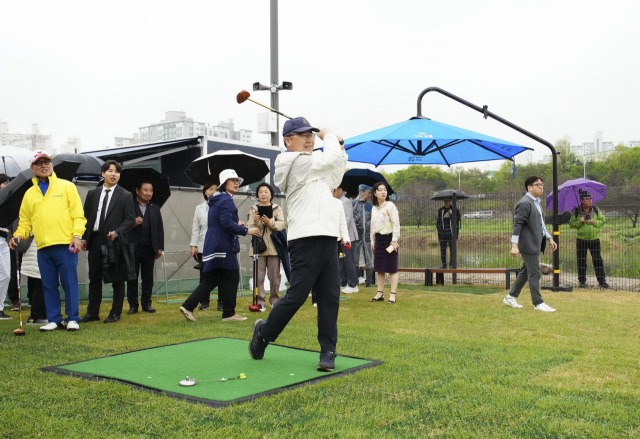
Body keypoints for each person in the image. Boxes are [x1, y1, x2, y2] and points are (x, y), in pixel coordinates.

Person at [249, 117, 347, 372]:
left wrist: (340, 149)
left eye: (312, 135)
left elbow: (335, 174)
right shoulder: (291, 161)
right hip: (305, 239)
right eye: (303, 135)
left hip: (327, 237)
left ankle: (328, 351)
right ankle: (264, 333)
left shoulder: (312, 164)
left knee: (330, 298)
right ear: (287, 140)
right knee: (297, 296)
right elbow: (328, 160)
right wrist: (330, 136)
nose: (309, 139)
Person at [10, 150, 86, 331]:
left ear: (52, 165)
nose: (44, 166)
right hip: (43, 246)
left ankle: (72, 318)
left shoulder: (66, 186)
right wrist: (19, 235)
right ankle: (54, 319)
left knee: (69, 282)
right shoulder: (29, 194)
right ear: (32, 168)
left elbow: (78, 215)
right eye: (39, 163)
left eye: (47, 162)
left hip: (65, 243)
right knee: (48, 284)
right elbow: (25, 222)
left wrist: (77, 236)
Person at [179, 169, 260, 322]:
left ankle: (188, 305)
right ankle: (228, 313)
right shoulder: (226, 200)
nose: (237, 183)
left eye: (238, 181)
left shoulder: (218, 199)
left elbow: (221, 222)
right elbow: (225, 223)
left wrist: (236, 224)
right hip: (223, 244)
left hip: (214, 243)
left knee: (213, 278)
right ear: (224, 183)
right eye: (233, 180)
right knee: (232, 276)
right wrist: (246, 230)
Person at [79, 160, 136, 324]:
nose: (113, 174)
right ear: (103, 173)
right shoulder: (93, 194)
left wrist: (117, 232)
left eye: (117, 172)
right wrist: (84, 237)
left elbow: (130, 220)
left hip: (114, 241)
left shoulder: (125, 195)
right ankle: (92, 312)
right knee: (94, 277)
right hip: (95, 239)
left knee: (117, 278)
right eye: (110, 171)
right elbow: (86, 218)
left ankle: (115, 312)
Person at [504, 176, 558, 312]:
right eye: (538, 184)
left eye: (542, 184)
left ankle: (510, 297)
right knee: (535, 273)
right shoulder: (525, 203)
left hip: (535, 243)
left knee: (525, 271)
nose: (541, 187)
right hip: (528, 245)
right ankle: (538, 303)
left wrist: (549, 238)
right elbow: (517, 225)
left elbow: (541, 224)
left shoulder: (537, 203)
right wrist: (514, 245)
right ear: (529, 187)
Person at [246, 182, 286, 311]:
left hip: (274, 248)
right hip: (259, 247)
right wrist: (256, 221)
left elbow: (281, 225)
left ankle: (275, 300)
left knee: (275, 276)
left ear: (271, 194)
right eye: (260, 192)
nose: (263, 194)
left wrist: (270, 222)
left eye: (266, 192)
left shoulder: (277, 208)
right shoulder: (253, 208)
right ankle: (260, 302)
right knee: (259, 276)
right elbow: (249, 227)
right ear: (257, 194)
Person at [126, 181, 164, 314]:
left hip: (149, 248)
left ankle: (147, 303)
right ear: (137, 190)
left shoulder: (155, 207)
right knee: (132, 277)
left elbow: (159, 228)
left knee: (148, 277)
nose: (148, 193)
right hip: (132, 247)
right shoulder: (129, 204)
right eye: (145, 190)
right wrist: (133, 222)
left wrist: (159, 247)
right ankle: (133, 305)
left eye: (151, 190)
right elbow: (122, 223)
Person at [311, 188, 350, 306]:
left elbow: (342, 221)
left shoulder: (338, 203)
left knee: (333, 272)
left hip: (334, 241)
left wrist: (346, 238)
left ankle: (332, 298)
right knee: (316, 270)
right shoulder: (314, 203)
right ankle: (316, 298)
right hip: (317, 240)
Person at [369, 182, 400, 304]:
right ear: (375, 193)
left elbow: (396, 224)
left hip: (389, 239)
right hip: (378, 240)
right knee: (380, 268)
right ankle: (379, 293)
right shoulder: (374, 208)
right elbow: (372, 226)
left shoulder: (390, 206)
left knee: (392, 268)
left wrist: (394, 241)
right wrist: (372, 241)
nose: (383, 192)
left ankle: (393, 294)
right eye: (380, 190)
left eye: (385, 190)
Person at [569, 190, 608, 288]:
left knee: (597, 260)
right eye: (587, 199)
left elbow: (603, 220)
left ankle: (602, 281)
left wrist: (594, 222)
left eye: (590, 199)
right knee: (581, 260)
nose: (590, 201)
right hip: (581, 239)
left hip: (594, 239)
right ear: (582, 200)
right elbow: (571, 224)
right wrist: (579, 222)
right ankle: (582, 281)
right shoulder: (576, 211)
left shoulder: (595, 209)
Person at [190, 182, 219, 311]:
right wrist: (193, 245)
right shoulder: (199, 208)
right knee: (205, 275)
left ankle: (222, 302)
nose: (213, 192)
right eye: (210, 189)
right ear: (205, 192)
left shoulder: (221, 206)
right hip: (203, 245)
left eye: (216, 189)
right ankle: (204, 302)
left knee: (221, 274)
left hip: (218, 245)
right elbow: (196, 228)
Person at [333, 185, 359, 294]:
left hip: (348, 236)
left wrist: (344, 235)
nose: (332, 193)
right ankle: (343, 282)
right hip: (339, 236)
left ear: (340, 190)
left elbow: (347, 218)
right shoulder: (336, 201)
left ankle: (353, 284)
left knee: (348, 260)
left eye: (334, 190)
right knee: (341, 260)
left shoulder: (345, 201)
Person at [19, 233, 48, 325]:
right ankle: (35, 316)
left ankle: (42, 315)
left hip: (41, 245)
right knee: (41, 283)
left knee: (43, 283)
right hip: (36, 247)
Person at [352, 184, 374, 287]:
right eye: (368, 193)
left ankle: (369, 282)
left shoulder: (371, 206)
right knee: (355, 258)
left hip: (368, 237)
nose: (370, 195)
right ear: (362, 192)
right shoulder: (353, 205)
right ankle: (354, 280)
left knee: (369, 259)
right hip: (356, 237)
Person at [436, 197, 461, 268]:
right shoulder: (440, 210)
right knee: (443, 249)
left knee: (452, 249)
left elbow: (458, 220)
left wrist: (452, 214)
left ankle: (451, 264)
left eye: (447, 201)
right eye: (445, 201)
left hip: (451, 233)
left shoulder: (455, 210)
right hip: (443, 233)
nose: (446, 202)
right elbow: (438, 221)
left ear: (450, 201)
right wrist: (439, 230)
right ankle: (444, 264)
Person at [0, 174, 12, 319]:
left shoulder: (8, 201)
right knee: (4, 274)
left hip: (4, 239)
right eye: (4, 182)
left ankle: (1, 307)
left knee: (6, 275)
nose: (6, 184)